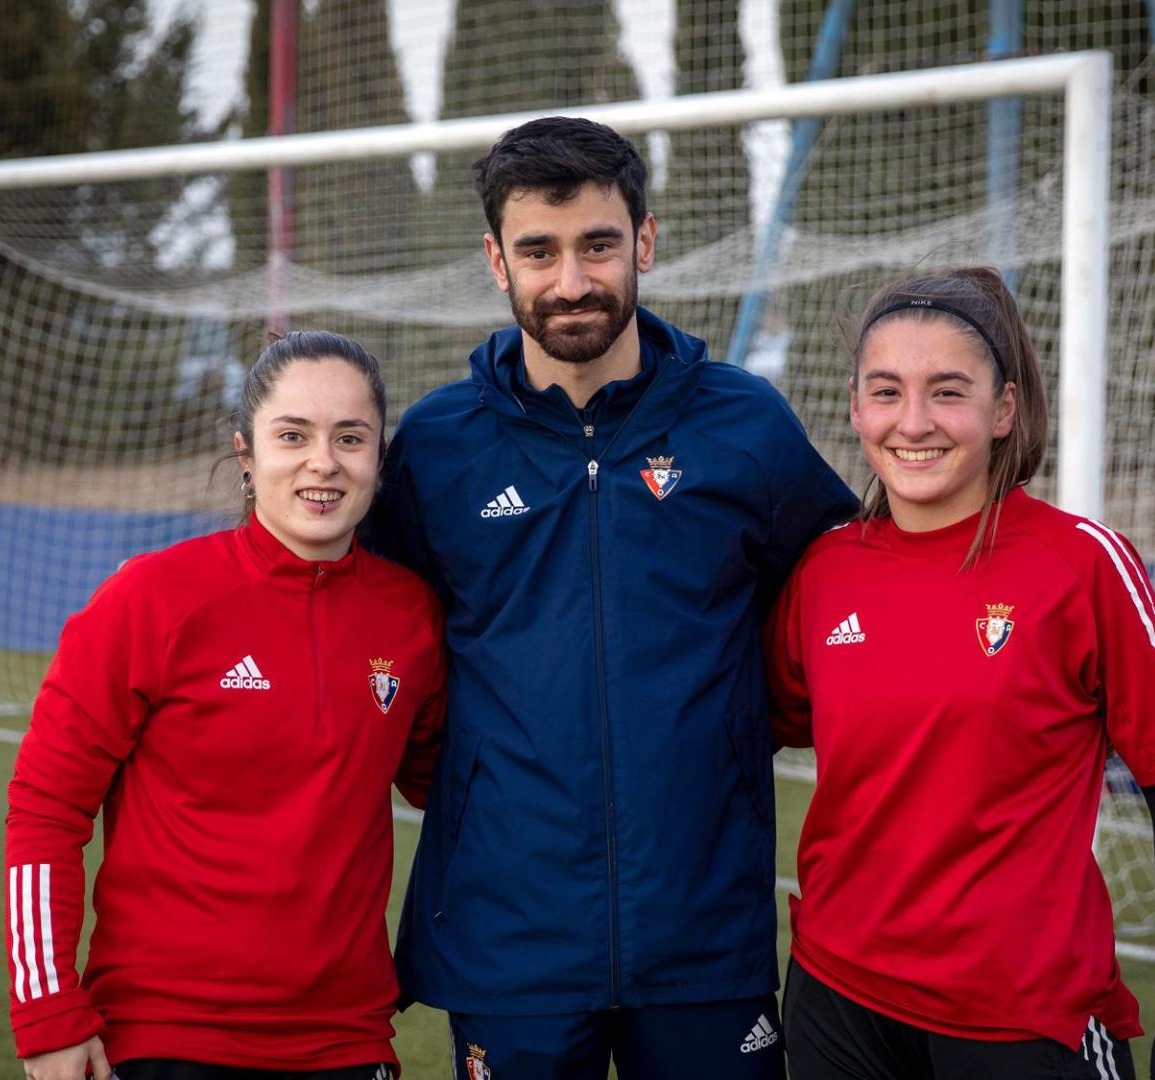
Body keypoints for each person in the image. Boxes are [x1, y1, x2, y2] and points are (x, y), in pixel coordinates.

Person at [366, 117, 859, 1079]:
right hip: (510, 936)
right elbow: (381, 636)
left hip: (704, 929)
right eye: (537, 251)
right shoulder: (435, 446)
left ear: (644, 238)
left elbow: (847, 595)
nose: (571, 282)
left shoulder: (743, 423)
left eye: (597, 244)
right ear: (494, 260)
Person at [766, 268, 1155, 1080]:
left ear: (1003, 408)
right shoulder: (822, 569)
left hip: (1019, 1020)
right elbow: (745, 733)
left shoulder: (1081, 564)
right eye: (886, 392)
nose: (912, 423)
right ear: (854, 406)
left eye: (947, 392)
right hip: (836, 1000)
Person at [3, 331, 444, 1080]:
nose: (323, 462)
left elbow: (451, 787)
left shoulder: (411, 617)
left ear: (378, 457)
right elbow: (46, 805)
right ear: (246, 453)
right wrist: (47, 1012)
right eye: (292, 436)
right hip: (166, 1038)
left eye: (350, 437)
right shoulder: (150, 599)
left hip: (346, 1042)